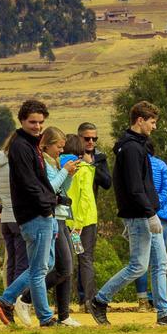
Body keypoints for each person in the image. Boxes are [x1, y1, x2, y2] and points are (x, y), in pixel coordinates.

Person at [85, 101, 167, 327]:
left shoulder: (137, 146)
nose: (154, 127)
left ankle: (163, 312)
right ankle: (99, 300)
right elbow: (134, 187)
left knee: (160, 263)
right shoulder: (132, 148)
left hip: (146, 213)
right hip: (139, 215)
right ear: (140, 120)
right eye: (152, 122)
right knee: (138, 266)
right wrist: (150, 214)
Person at [0, 99, 61, 328]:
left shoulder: (29, 144)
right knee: (40, 268)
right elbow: (30, 184)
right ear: (21, 120)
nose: (37, 126)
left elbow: (38, 182)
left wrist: (53, 200)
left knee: (45, 264)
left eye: (40, 122)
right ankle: (39, 314)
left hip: (40, 213)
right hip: (35, 215)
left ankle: (9, 300)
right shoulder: (21, 147)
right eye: (32, 122)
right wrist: (48, 203)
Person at [64, 122, 112, 308]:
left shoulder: (98, 159)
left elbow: (107, 182)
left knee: (76, 258)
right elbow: (83, 196)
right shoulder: (76, 167)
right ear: (78, 139)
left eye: (94, 138)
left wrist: (93, 167)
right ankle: (87, 299)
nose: (91, 142)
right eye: (87, 138)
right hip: (81, 219)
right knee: (81, 259)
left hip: (75, 219)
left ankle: (83, 299)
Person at [41, 127, 83, 325]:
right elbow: (50, 188)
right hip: (52, 217)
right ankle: (25, 297)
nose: (61, 150)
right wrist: (64, 171)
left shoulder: (55, 163)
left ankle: (64, 315)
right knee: (63, 267)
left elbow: (62, 190)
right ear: (46, 145)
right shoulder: (44, 164)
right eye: (58, 146)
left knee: (67, 268)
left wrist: (70, 175)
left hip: (62, 216)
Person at [0, 138, 33, 326]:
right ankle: (13, 300)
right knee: (23, 263)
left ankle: (7, 295)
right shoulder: (18, 161)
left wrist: (4, 204)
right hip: (19, 216)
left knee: (11, 262)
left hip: (5, 219)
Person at [134, 144, 167, 310]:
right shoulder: (161, 165)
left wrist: (146, 207)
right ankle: (160, 300)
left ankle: (142, 299)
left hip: (140, 214)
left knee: (140, 260)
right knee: (159, 261)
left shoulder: (136, 165)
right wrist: (155, 206)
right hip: (161, 216)